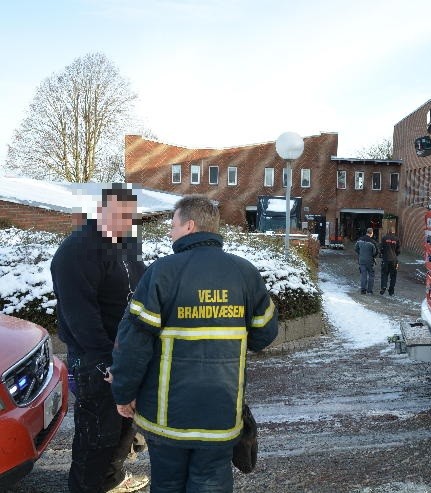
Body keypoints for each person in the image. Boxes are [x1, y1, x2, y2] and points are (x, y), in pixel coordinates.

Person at [110, 194, 278, 493]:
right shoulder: (245, 273)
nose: (169, 231)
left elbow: (134, 342)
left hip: (167, 418)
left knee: (168, 485)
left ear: (189, 226)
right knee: (212, 483)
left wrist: (123, 394)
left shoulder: (162, 272)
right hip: (221, 413)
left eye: (172, 225)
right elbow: (264, 335)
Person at [50, 185, 149, 493]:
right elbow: (80, 315)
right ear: (101, 209)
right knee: (97, 435)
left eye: (129, 216)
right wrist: (106, 360)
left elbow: (141, 287)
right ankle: (87, 486)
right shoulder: (78, 250)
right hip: (95, 359)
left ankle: (111, 479)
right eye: (118, 214)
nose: (124, 221)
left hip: (126, 355)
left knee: (124, 426)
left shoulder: (125, 246)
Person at [355, 227, 378, 294]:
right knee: (371, 275)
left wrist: (361, 253)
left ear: (366, 232)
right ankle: (369, 290)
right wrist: (372, 256)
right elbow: (375, 252)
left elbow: (356, 248)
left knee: (363, 275)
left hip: (361, 260)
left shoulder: (359, 240)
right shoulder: (373, 242)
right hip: (370, 261)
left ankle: (363, 290)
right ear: (371, 233)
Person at [379, 227, 401, 296]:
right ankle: (391, 291)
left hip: (385, 259)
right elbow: (398, 251)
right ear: (394, 232)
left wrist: (383, 254)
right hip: (394, 260)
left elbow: (381, 248)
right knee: (393, 276)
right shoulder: (397, 239)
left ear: (388, 231)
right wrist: (395, 254)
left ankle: (383, 286)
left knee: (384, 274)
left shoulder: (384, 238)